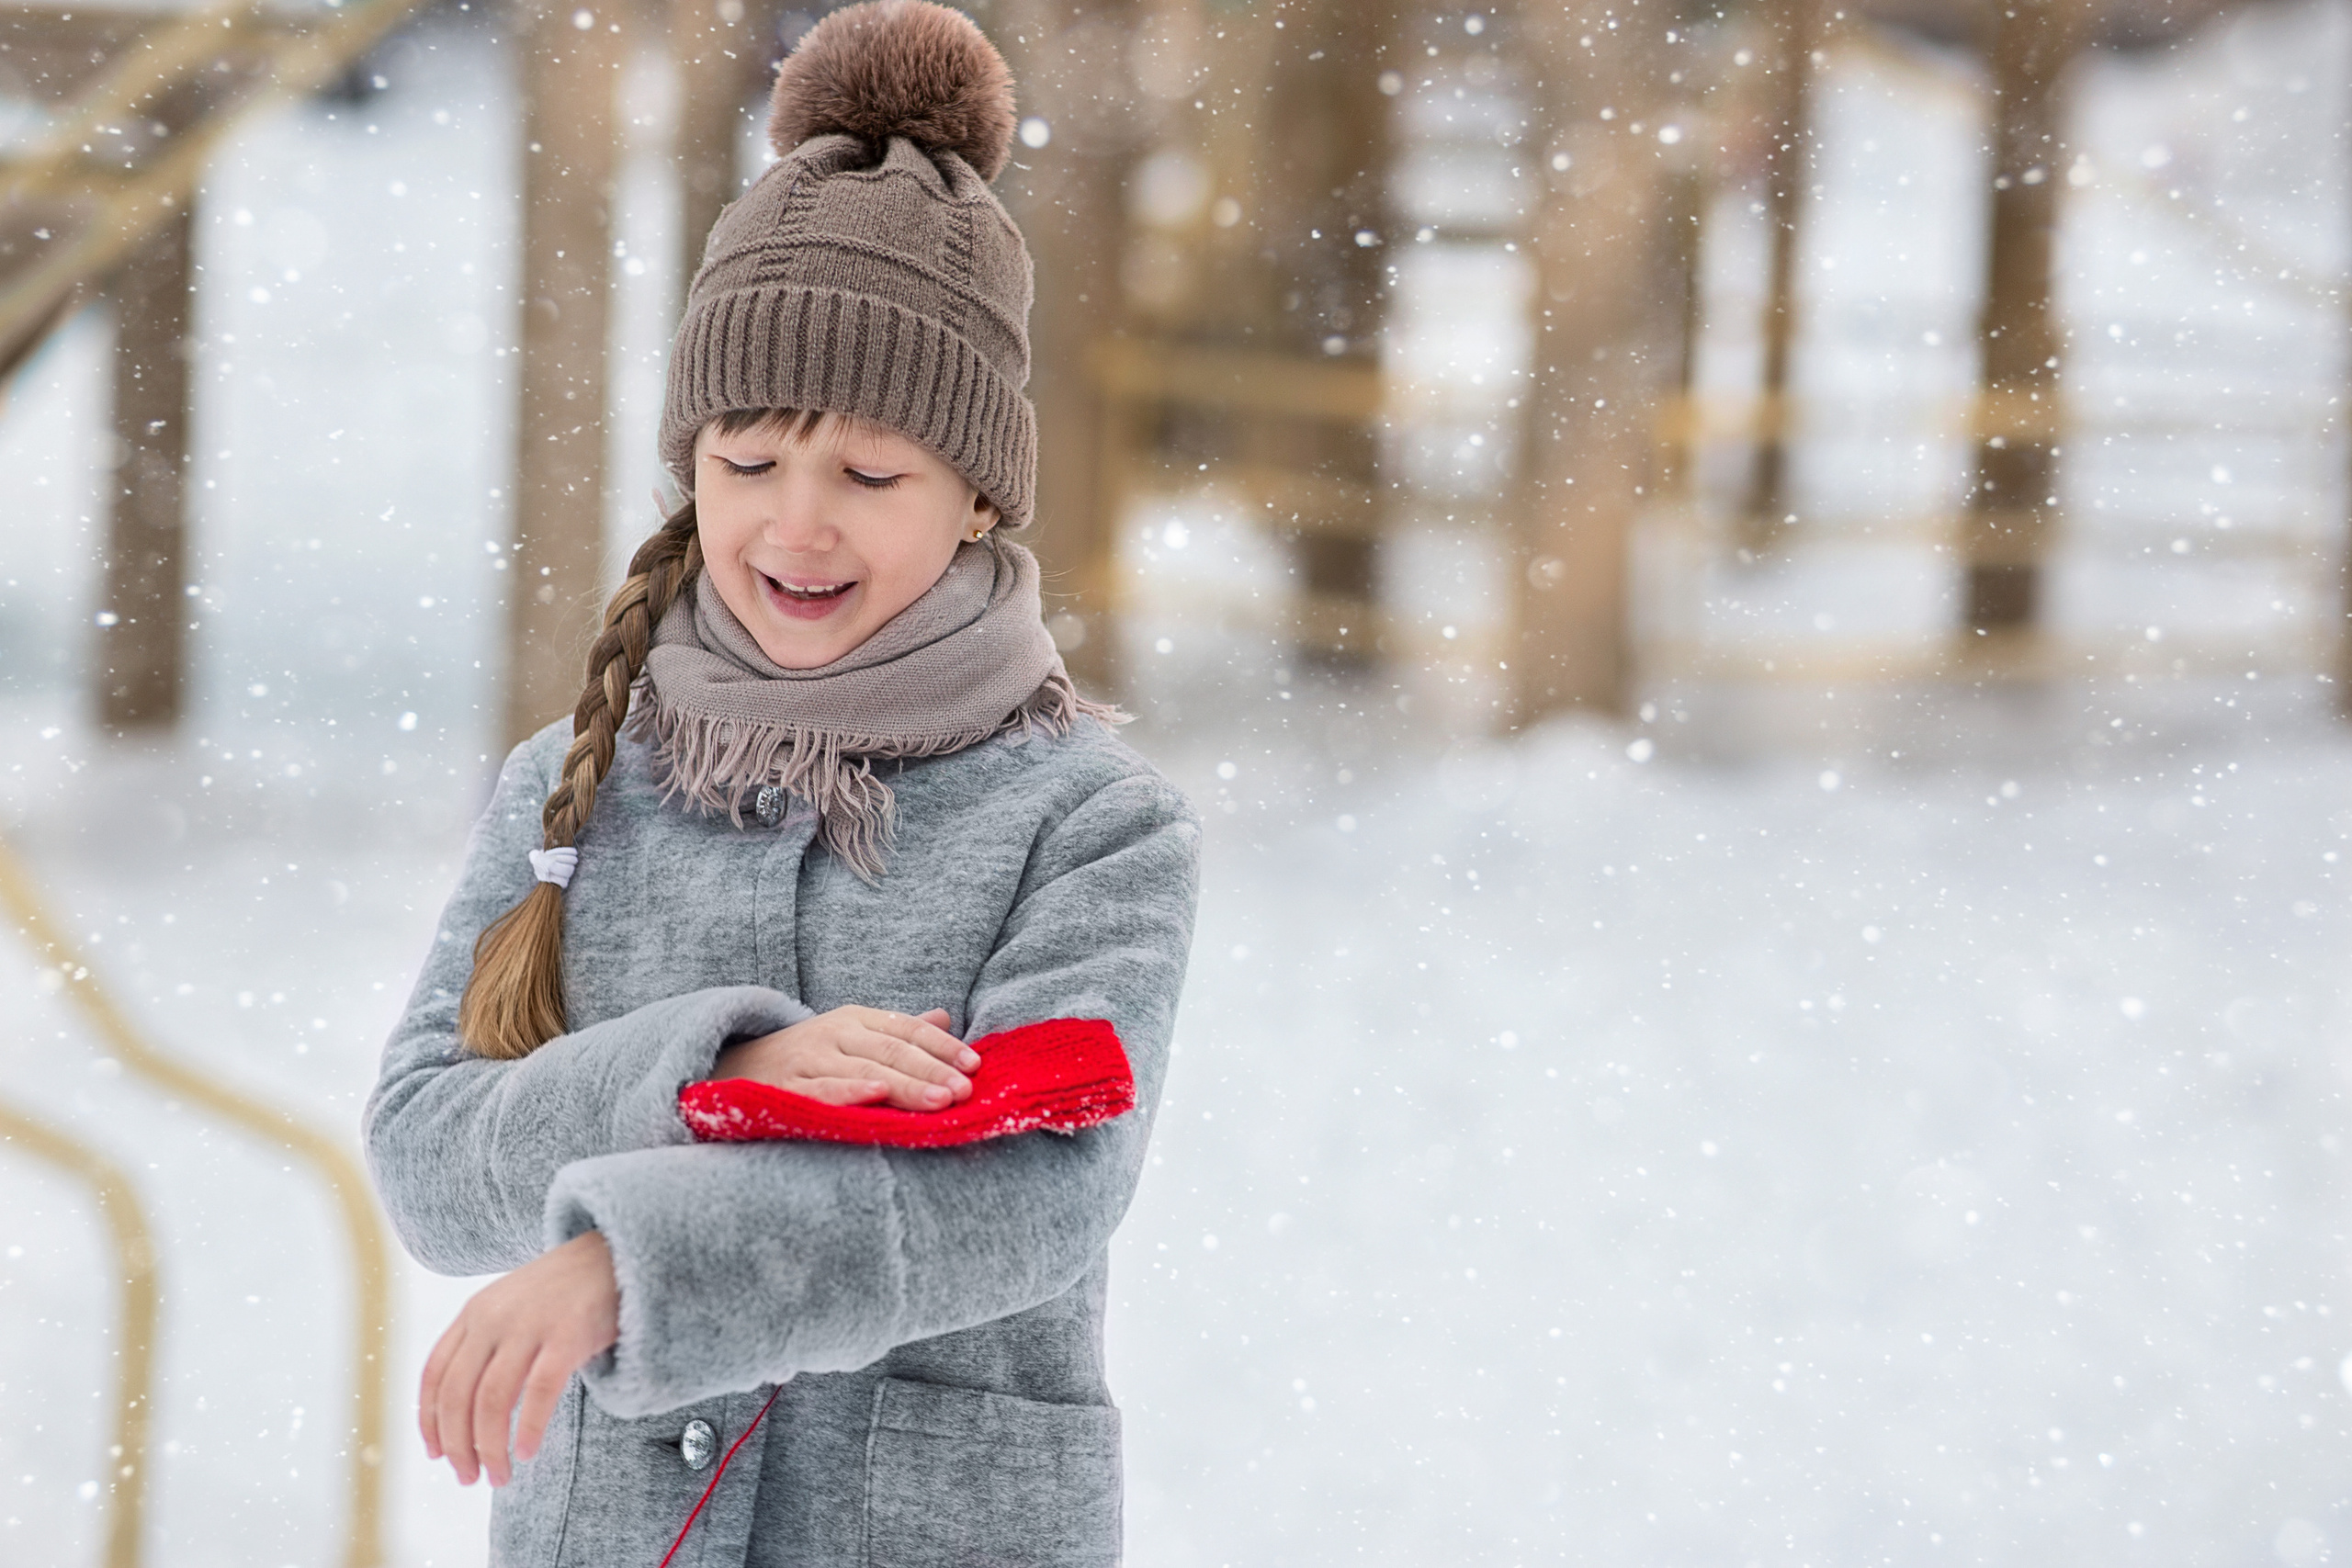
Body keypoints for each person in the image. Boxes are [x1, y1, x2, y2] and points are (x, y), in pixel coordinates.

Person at [361, 5, 1200, 1562]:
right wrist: (719, 1071)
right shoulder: (572, 786)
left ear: (974, 497)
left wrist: (639, 1260)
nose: (795, 528)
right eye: (746, 464)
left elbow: (1034, 1187)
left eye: (871, 476)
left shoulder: (1090, 825)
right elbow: (428, 1152)